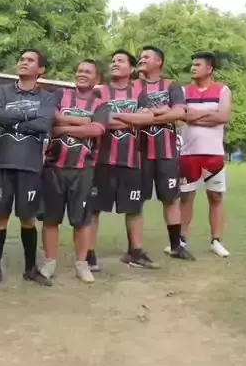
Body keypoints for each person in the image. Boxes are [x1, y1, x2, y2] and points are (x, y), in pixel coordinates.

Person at [0, 49, 58, 288]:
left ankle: (30, 269)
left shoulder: (48, 97)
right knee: (0, 218)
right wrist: (28, 116)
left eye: (30, 60)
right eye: (22, 59)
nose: (24, 62)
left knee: (28, 219)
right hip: (3, 162)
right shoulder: (2, 91)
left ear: (41, 69)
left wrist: (12, 119)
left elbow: (43, 124)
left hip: (30, 166)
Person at [39, 60, 108, 283]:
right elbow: (51, 120)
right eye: (79, 70)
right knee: (50, 218)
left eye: (88, 71)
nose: (82, 74)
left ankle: (82, 264)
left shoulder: (101, 104)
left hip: (83, 169)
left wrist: (64, 128)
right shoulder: (60, 95)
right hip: (53, 166)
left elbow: (96, 130)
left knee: (82, 220)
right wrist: (81, 122)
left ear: (97, 78)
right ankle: (49, 262)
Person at [88, 50, 157, 269]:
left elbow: (148, 118)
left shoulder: (140, 92)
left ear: (131, 68)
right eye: (113, 61)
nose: (114, 64)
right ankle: (88, 254)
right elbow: (97, 119)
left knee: (134, 208)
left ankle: (135, 252)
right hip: (101, 159)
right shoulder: (99, 91)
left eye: (120, 61)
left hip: (132, 160)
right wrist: (131, 120)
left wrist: (115, 117)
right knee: (94, 208)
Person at [137, 46, 194, 261]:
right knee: (136, 202)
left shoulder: (171, 85)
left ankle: (176, 246)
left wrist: (150, 114)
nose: (141, 60)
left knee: (170, 199)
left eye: (146, 57)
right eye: (141, 57)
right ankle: (135, 249)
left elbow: (179, 112)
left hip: (167, 152)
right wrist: (163, 111)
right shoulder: (134, 87)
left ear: (158, 62)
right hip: (140, 152)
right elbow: (130, 114)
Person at [179, 52, 231, 257]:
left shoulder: (222, 90)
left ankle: (216, 240)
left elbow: (223, 116)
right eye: (192, 64)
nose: (193, 68)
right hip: (188, 153)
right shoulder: (184, 91)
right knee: (186, 196)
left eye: (198, 65)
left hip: (213, 153)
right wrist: (209, 114)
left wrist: (195, 116)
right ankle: (180, 240)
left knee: (215, 196)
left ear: (209, 69)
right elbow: (182, 116)